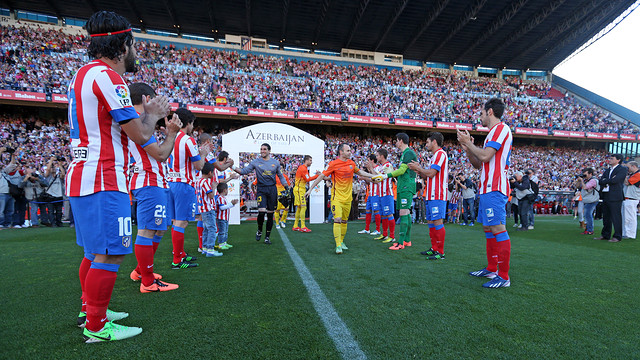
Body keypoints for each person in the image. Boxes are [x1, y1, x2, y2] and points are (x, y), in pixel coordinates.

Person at [67, 10, 172, 342]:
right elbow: (141, 137)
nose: (135, 52)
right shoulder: (109, 78)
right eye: (134, 45)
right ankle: (97, 326)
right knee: (110, 252)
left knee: (92, 252)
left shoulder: (82, 74)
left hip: (84, 174)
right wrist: (153, 115)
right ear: (124, 46)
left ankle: (91, 309)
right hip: (103, 176)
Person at [127, 82, 182, 292]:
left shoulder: (140, 121)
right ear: (146, 100)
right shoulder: (137, 121)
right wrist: (171, 134)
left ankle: (141, 271)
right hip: (148, 181)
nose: (161, 104)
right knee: (148, 230)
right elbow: (160, 154)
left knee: (157, 229)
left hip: (154, 181)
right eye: (157, 99)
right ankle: (147, 282)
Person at [457, 97, 513, 288]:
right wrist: (467, 149)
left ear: (490, 112)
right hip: (487, 187)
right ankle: (492, 268)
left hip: (495, 187)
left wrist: (470, 144)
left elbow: (486, 155)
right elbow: (479, 163)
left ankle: (504, 277)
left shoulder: (501, 129)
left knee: (498, 228)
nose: (479, 116)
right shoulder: (491, 134)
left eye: (481, 112)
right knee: (488, 229)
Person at [166, 108, 217, 269]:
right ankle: (177, 259)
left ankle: (180, 254)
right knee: (181, 223)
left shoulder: (170, 138)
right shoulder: (188, 140)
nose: (192, 127)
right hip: (184, 184)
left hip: (170, 182)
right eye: (192, 123)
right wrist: (202, 154)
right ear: (188, 123)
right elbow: (199, 165)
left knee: (176, 221)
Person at [305, 143, 379, 254]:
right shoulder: (333, 164)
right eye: (348, 150)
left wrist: (372, 175)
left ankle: (342, 241)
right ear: (341, 152)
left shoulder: (351, 163)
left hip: (348, 198)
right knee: (337, 220)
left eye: (350, 150)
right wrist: (310, 189)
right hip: (337, 198)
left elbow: (360, 172)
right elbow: (321, 176)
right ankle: (338, 245)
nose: (350, 152)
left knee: (344, 221)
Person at [234, 143, 289, 245]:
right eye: (261, 149)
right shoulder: (256, 162)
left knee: (270, 214)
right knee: (262, 211)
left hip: (272, 190)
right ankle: (259, 230)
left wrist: (286, 186)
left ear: (269, 151)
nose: (262, 151)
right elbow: (243, 171)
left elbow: (280, 176)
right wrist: (232, 166)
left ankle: (267, 237)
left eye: (264, 149)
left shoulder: (275, 163)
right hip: (261, 189)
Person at [409, 132, 448, 259]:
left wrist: (419, 168)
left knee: (437, 221)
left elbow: (431, 173)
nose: (426, 144)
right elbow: (427, 176)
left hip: (437, 194)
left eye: (427, 142)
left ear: (434, 142)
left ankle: (440, 253)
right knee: (431, 221)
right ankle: (434, 248)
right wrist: (418, 170)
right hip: (430, 194)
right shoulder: (434, 156)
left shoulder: (440, 154)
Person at [379, 133, 418, 250]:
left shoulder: (409, 153)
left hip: (407, 186)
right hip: (403, 186)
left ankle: (400, 243)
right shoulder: (404, 154)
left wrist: (386, 176)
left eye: (396, 140)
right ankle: (407, 241)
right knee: (406, 213)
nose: (395, 142)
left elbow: (402, 170)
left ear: (401, 141)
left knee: (403, 212)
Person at [594, 154, 627, 243]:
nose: (610, 160)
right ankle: (605, 235)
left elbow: (615, 180)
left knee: (616, 217)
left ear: (618, 160)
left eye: (612, 158)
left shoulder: (622, 169)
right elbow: (601, 181)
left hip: (616, 196)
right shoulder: (608, 170)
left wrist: (606, 181)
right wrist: (608, 181)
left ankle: (617, 236)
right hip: (606, 195)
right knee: (606, 217)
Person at [196, 162, 223, 257]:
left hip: (203, 208)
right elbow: (211, 196)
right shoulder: (205, 182)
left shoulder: (199, 181)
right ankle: (210, 250)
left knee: (206, 229)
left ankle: (205, 248)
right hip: (208, 208)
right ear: (210, 173)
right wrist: (214, 187)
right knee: (212, 229)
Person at [373, 149, 396, 243]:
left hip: (387, 193)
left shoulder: (388, 165)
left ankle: (392, 236)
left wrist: (371, 169)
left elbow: (388, 176)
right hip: (381, 194)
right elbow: (377, 178)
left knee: (389, 213)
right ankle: (385, 234)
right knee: (383, 214)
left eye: (377, 155)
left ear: (382, 156)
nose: (376, 157)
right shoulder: (381, 167)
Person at [291, 155, 319, 232]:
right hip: (299, 189)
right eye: (310, 160)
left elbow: (307, 178)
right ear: (306, 160)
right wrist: (317, 176)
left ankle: (295, 225)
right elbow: (308, 179)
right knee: (303, 207)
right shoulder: (303, 168)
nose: (311, 162)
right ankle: (303, 226)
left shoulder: (303, 168)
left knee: (300, 207)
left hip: (300, 189)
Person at [358, 155, 380, 235]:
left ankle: (378, 230)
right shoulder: (370, 170)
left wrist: (364, 178)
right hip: (371, 193)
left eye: (368, 160)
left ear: (372, 160)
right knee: (368, 210)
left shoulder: (377, 168)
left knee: (376, 210)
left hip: (376, 193)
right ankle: (367, 229)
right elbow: (370, 181)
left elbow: (376, 179)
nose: (367, 162)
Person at [576, 167, 599, 235]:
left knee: (588, 214)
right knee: (587, 214)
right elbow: (577, 187)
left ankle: (590, 230)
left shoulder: (593, 180)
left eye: (585, 174)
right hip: (587, 200)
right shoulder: (586, 180)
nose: (584, 176)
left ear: (590, 174)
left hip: (592, 200)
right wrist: (579, 180)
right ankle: (588, 229)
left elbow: (585, 187)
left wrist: (582, 181)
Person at [216, 182, 238, 248]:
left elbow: (225, 206)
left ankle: (224, 242)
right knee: (222, 231)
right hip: (221, 218)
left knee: (225, 231)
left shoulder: (223, 198)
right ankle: (221, 244)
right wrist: (231, 204)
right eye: (227, 189)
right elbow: (222, 207)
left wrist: (232, 204)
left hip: (224, 218)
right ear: (224, 190)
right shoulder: (220, 198)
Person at [622, 161, 640, 239]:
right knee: (626, 217)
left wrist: (624, 174)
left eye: (628, 167)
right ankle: (626, 233)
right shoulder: (634, 174)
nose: (627, 169)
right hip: (629, 198)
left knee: (630, 217)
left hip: (632, 198)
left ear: (633, 166)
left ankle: (630, 234)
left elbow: (627, 183)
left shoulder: (638, 174)